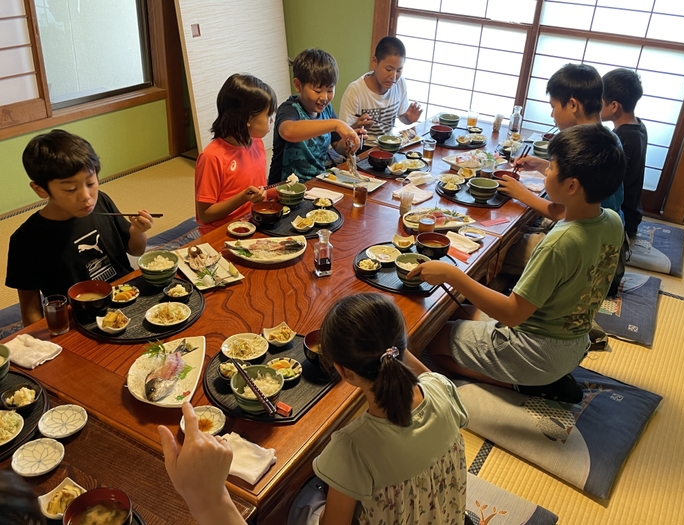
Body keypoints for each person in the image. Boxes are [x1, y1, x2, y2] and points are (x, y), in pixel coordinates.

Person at [161, 294, 469, 525]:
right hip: (443, 514)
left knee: (302, 498)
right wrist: (392, 343)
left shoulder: (352, 447)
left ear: (344, 372)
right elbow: (404, 362)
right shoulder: (442, 387)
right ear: (400, 346)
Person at [408, 124, 626, 403]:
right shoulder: (611, 220)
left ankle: (525, 386)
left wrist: (452, 274)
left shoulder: (559, 243)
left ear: (572, 186)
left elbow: (512, 314)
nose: (547, 172)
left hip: (536, 353)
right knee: (457, 312)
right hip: (573, 342)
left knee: (431, 344)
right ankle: (536, 375)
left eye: (552, 168)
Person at [498, 63, 626, 295]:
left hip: (589, 254)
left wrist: (520, 193)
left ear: (573, 104)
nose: (551, 114)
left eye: (553, 106)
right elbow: (580, 181)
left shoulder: (587, 144)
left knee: (501, 248)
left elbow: (564, 212)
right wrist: (543, 165)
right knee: (519, 229)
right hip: (604, 240)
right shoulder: (605, 140)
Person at [5, 129, 153, 327]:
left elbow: (136, 250)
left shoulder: (102, 202)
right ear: (40, 189)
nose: (86, 196)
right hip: (80, 319)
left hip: (127, 298)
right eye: (70, 189)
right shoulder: (27, 239)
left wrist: (138, 231)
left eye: (91, 182)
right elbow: (30, 307)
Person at [194, 74, 277, 235]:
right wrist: (242, 198)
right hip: (223, 232)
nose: (271, 120)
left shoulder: (256, 142)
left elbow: (259, 190)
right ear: (248, 119)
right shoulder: (212, 157)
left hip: (255, 220)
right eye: (268, 115)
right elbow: (205, 215)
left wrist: (278, 190)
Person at [268, 49, 362, 184]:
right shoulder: (289, 109)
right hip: (284, 190)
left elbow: (337, 146)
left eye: (330, 90)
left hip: (317, 183)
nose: (324, 97)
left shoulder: (327, 109)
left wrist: (349, 143)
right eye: (317, 91)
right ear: (298, 85)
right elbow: (288, 131)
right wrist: (336, 124)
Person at [338, 36, 423, 145]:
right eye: (389, 69)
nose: (393, 76)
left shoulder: (400, 83)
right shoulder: (355, 91)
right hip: (363, 147)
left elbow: (402, 117)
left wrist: (408, 118)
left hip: (389, 145)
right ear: (374, 62)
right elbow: (343, 134)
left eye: (399, 70)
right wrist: (357, 126)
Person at [601, 68, 647, 239]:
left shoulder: (622, 138)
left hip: (622, 219)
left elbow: (606, 185)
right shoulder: (638, 127)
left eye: (600, 101)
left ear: (614, 106)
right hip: (633, 211)